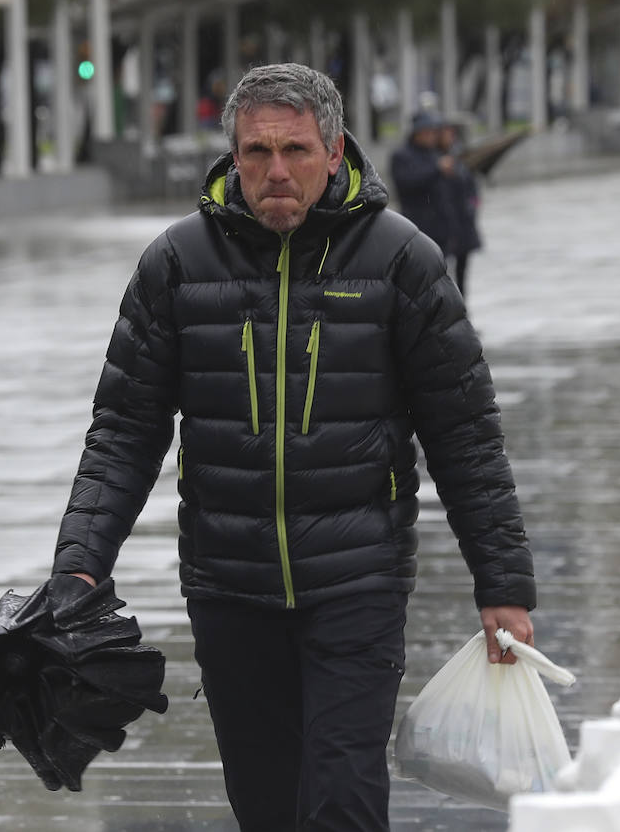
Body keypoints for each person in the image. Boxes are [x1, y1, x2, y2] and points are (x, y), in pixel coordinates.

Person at [51, 63, 536, 831]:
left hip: (359, 585)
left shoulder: (401, 261)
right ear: (233, 156)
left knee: (344, 798)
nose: (275, 171)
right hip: (228, 588)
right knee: (268, 807)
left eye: (296, 151)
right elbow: (124, 431)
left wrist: (503, 585)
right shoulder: (176, 265)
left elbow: (465, 435)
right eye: (256, 152)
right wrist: (79, 562)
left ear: (335, 152)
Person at [389, 109, 459, 260]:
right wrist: (437, 169)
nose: (431, 136)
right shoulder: (402, 156)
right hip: (418, 225)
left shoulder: (435, 153)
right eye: (427, 132)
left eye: (433, 132)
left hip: (442, 227)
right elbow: (407, 182)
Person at [437, 118, 481, 296]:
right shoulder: (433, 159)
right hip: (443, 224)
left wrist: (473, 204)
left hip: (463, 222)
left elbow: (471, 185)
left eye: (452, 134)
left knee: (462, 270)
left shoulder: (459, 157)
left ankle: (462, 308)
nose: (450, 137)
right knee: (441, 269)